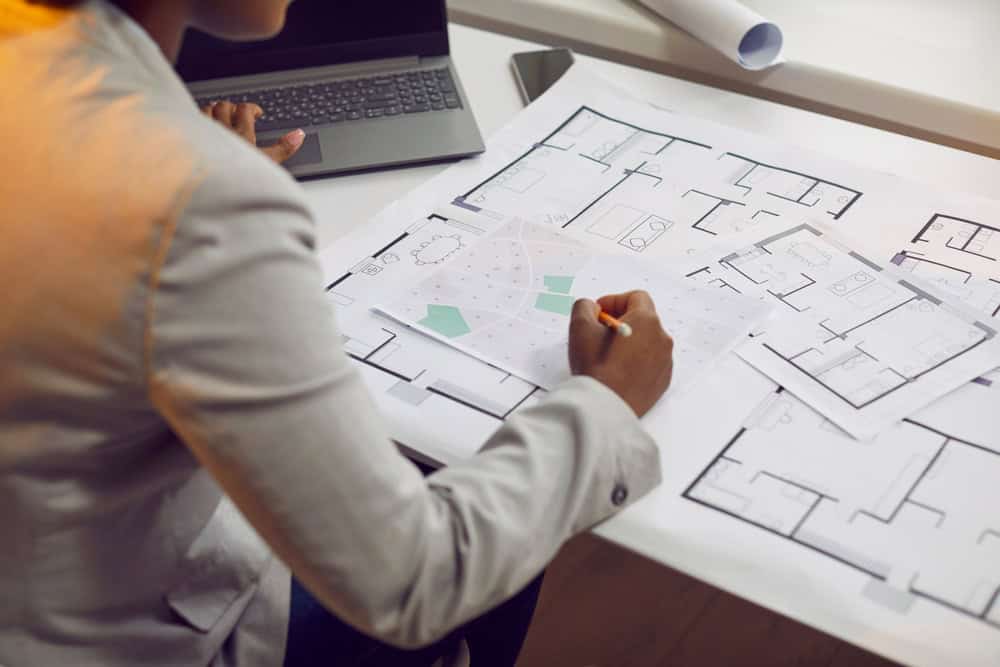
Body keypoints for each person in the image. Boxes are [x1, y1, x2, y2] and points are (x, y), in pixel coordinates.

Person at [0, 1, 675, 665]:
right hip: (123, 638)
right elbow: (417, 577)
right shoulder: (191, 196)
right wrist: (607, 399)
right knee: (500, 508)